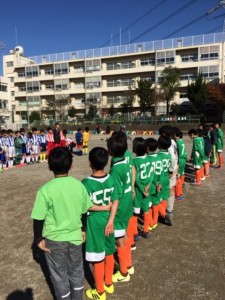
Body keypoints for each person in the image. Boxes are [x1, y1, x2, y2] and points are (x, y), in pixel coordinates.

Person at [31, 147, 93, 300]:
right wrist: (83, 229)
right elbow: (85, 210)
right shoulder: (79, 186)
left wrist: (38, 238)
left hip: (54, 240)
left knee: (59, 274)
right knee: (77, 270)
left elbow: (38, 218)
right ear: (71, 165)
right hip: (75, 237)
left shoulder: (45, 190)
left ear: (49, 166)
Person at [82, 147, 119, 300]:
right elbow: (115, 201)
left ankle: (100, 292)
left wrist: (102, 207)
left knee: (98, 257)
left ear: (90, 163)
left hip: (95, 222)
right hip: (109, 220)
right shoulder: (111, 178)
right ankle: (109, 283)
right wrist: (110, 220)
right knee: (109, 252)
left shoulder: (86, 183)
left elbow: (86, 206)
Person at [107, 133, 134, 283]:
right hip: (127, 204)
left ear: (111, 151)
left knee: (120, 239)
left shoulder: (116, 169)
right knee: (124, 234)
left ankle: (123, 273)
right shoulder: (125, 161)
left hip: (120, 207)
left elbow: (115, 194)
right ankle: (129, 265)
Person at [132, 137, 153, 239]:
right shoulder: (148, 158)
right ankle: (145, 230)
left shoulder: (134, 161)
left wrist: (141, 190)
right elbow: (151, 173)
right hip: (147, 189)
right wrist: (148, 185)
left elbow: (135, 179)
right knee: (146, 210)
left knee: (135, 213)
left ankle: (135, 233)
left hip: (138, 190)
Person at [173, 128, 187, 201]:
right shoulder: (182, 141)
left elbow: (177, 153)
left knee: (177, 176)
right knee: (182, 173)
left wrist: (177, 163)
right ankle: (181, 185)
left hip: (180, 160)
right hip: (183, 159)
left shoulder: (177, 142)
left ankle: (178, 194)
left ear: (175, 135)